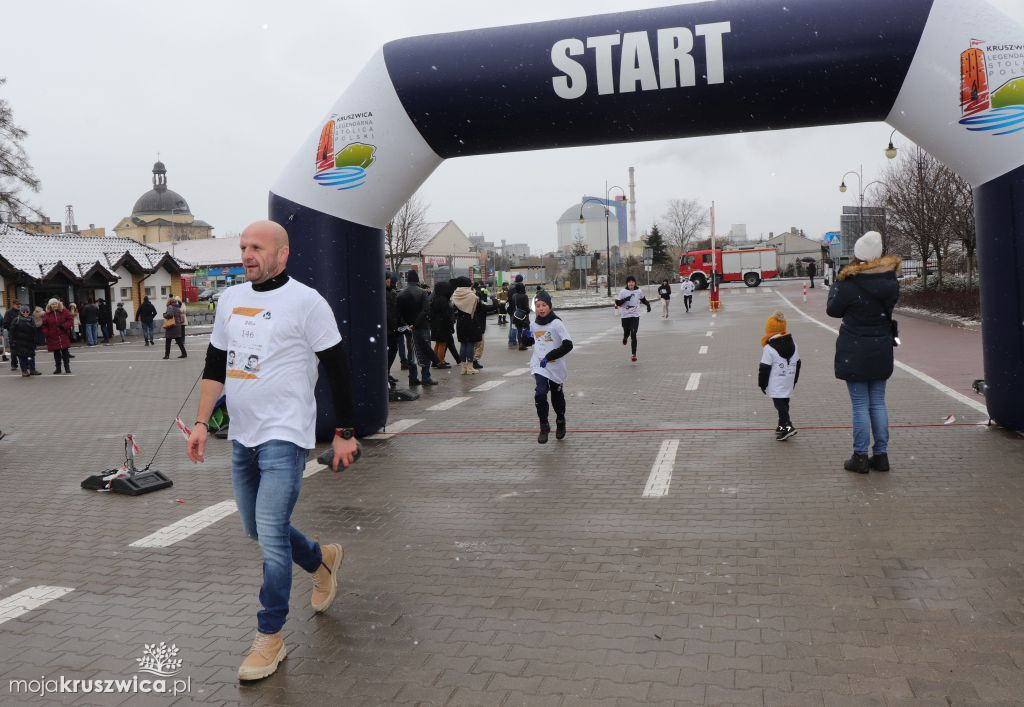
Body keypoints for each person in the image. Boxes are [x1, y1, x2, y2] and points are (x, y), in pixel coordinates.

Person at [186, 220, 357, 682]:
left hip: (286, 433)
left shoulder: (306, 302)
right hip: (242, 433)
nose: (247, 254)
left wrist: (345, 430)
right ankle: (322, 558)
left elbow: (339, 368)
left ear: (283, 254)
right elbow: (214, 364)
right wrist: (202, 422)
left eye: (257, 247)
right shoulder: (229, 300)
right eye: (243, 247)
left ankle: (270, 637)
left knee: (271, 538)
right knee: (257, 528)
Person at [826, 231, 901, 474]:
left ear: (857, 255)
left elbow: (833, 311)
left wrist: (836, 283)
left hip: (855, 347)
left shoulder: (849, 283)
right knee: (878, 402)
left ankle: (860, 456)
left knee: (860, 404)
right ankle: (881, 456)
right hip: (881, 345)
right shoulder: (890, 282)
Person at [520, 291, 573, 443]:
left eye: (544, 305)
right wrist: (524, 328)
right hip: (539, 365)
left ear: (549, 306)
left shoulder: (557, 323)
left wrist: (550, 356)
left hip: (555, 366)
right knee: (540, 393)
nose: (541, 308)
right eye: (538, 306)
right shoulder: (534, 324)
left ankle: (560, 421)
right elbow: (528, 342)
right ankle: (544, 425)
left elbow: (568, 345)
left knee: (557, 397)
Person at [758, 310, 801, 441]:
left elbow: (764, 368)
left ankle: (788, 426)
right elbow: (798, 363)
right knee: (785, 401)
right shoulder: (794, 344)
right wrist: (794, 380)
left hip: (776, 380)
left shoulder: (769, 348)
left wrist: (762, 384)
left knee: (779, 404)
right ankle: (781, 426)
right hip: (789, 378)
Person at [395, 270, 437, 386]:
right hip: (422, 326)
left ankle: (413, 377)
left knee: (411, 352)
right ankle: (426, 377)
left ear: (407, 280)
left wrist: (408, 324)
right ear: (417, 279)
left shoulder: (400, 294)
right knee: (425, 350)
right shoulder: (422, 293)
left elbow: (398, 314)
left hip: (408, 328)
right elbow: (425, 310)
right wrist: (416, 324)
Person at [615, 275, 651, 362]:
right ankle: (625, 337)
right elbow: (618, 303)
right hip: (625, 316)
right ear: (627, 283)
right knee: (627, 332)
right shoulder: (623, 291)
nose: (631, 283)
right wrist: (625, 299)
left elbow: (643, 299)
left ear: (635, 283)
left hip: (635, 316)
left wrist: (648, 305)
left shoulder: (638, 291)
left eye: (632, 281)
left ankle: (633, 354)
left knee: (634, 333)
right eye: (629, 282)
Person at [452, 277, 483, 375]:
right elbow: (478, 308)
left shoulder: (455, 294)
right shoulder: (472, 296)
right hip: (470, 321)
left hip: (460, 321)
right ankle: (470, 367)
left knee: (463, 344)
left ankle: (463, 367)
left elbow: (453, 307)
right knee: (470, 343)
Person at [429, 280, 459, 369]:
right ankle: (440, 361)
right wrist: (451, 325)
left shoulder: (435, 299)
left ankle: (435, 361)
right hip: (443, 326)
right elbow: (446, 315)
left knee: (438, 343)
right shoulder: (443, 300)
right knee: (442, 344)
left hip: (436, 325)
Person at [41, 298, 74, 374]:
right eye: (52, 304)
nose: (54, 305)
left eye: (55, 303)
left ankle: (67, 367)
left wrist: (64, 326)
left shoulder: (64, 311)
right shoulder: (47, 314)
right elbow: (44, 325)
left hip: (63, 335)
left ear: (58, 304)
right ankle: (58, 368)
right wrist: (47, 333)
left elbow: (70, 320)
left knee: (65, 352)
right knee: (56, 353)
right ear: (50, 305)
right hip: (53, 337)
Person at [10, 305, 40, 376]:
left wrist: (35, 341)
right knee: (22, 357)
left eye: (27, 311)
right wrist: (12, 342)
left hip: (30, 342)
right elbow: (11, 332)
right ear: (21, 312)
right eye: (23, 311)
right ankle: (24, 371)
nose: (25, 313)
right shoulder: (16, 320)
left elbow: (35, 331)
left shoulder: (31, 319)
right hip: (20, 342)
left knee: (31, 357)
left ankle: (32, 369)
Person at [507, 278, 530, 350]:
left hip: (516, 315)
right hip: (523, 315)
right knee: (526, 329)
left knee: (519, 330)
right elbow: (526, 307)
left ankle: (520, 344)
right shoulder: (524, 296)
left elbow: (512, 304)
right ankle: (525, 342)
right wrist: (528, 311)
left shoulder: (514, 295)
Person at [3, 299, 20, 370]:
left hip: (21, 333)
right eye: (17, 304)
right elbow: (5, 324)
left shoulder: (21, 312)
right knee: (13, 350)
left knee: (23, 349)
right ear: (13, 304)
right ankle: (14, 365)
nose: (18, 306)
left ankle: (25, 363)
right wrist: (11, 329)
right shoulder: (8, 312)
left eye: (19, 304)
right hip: (12, 334)